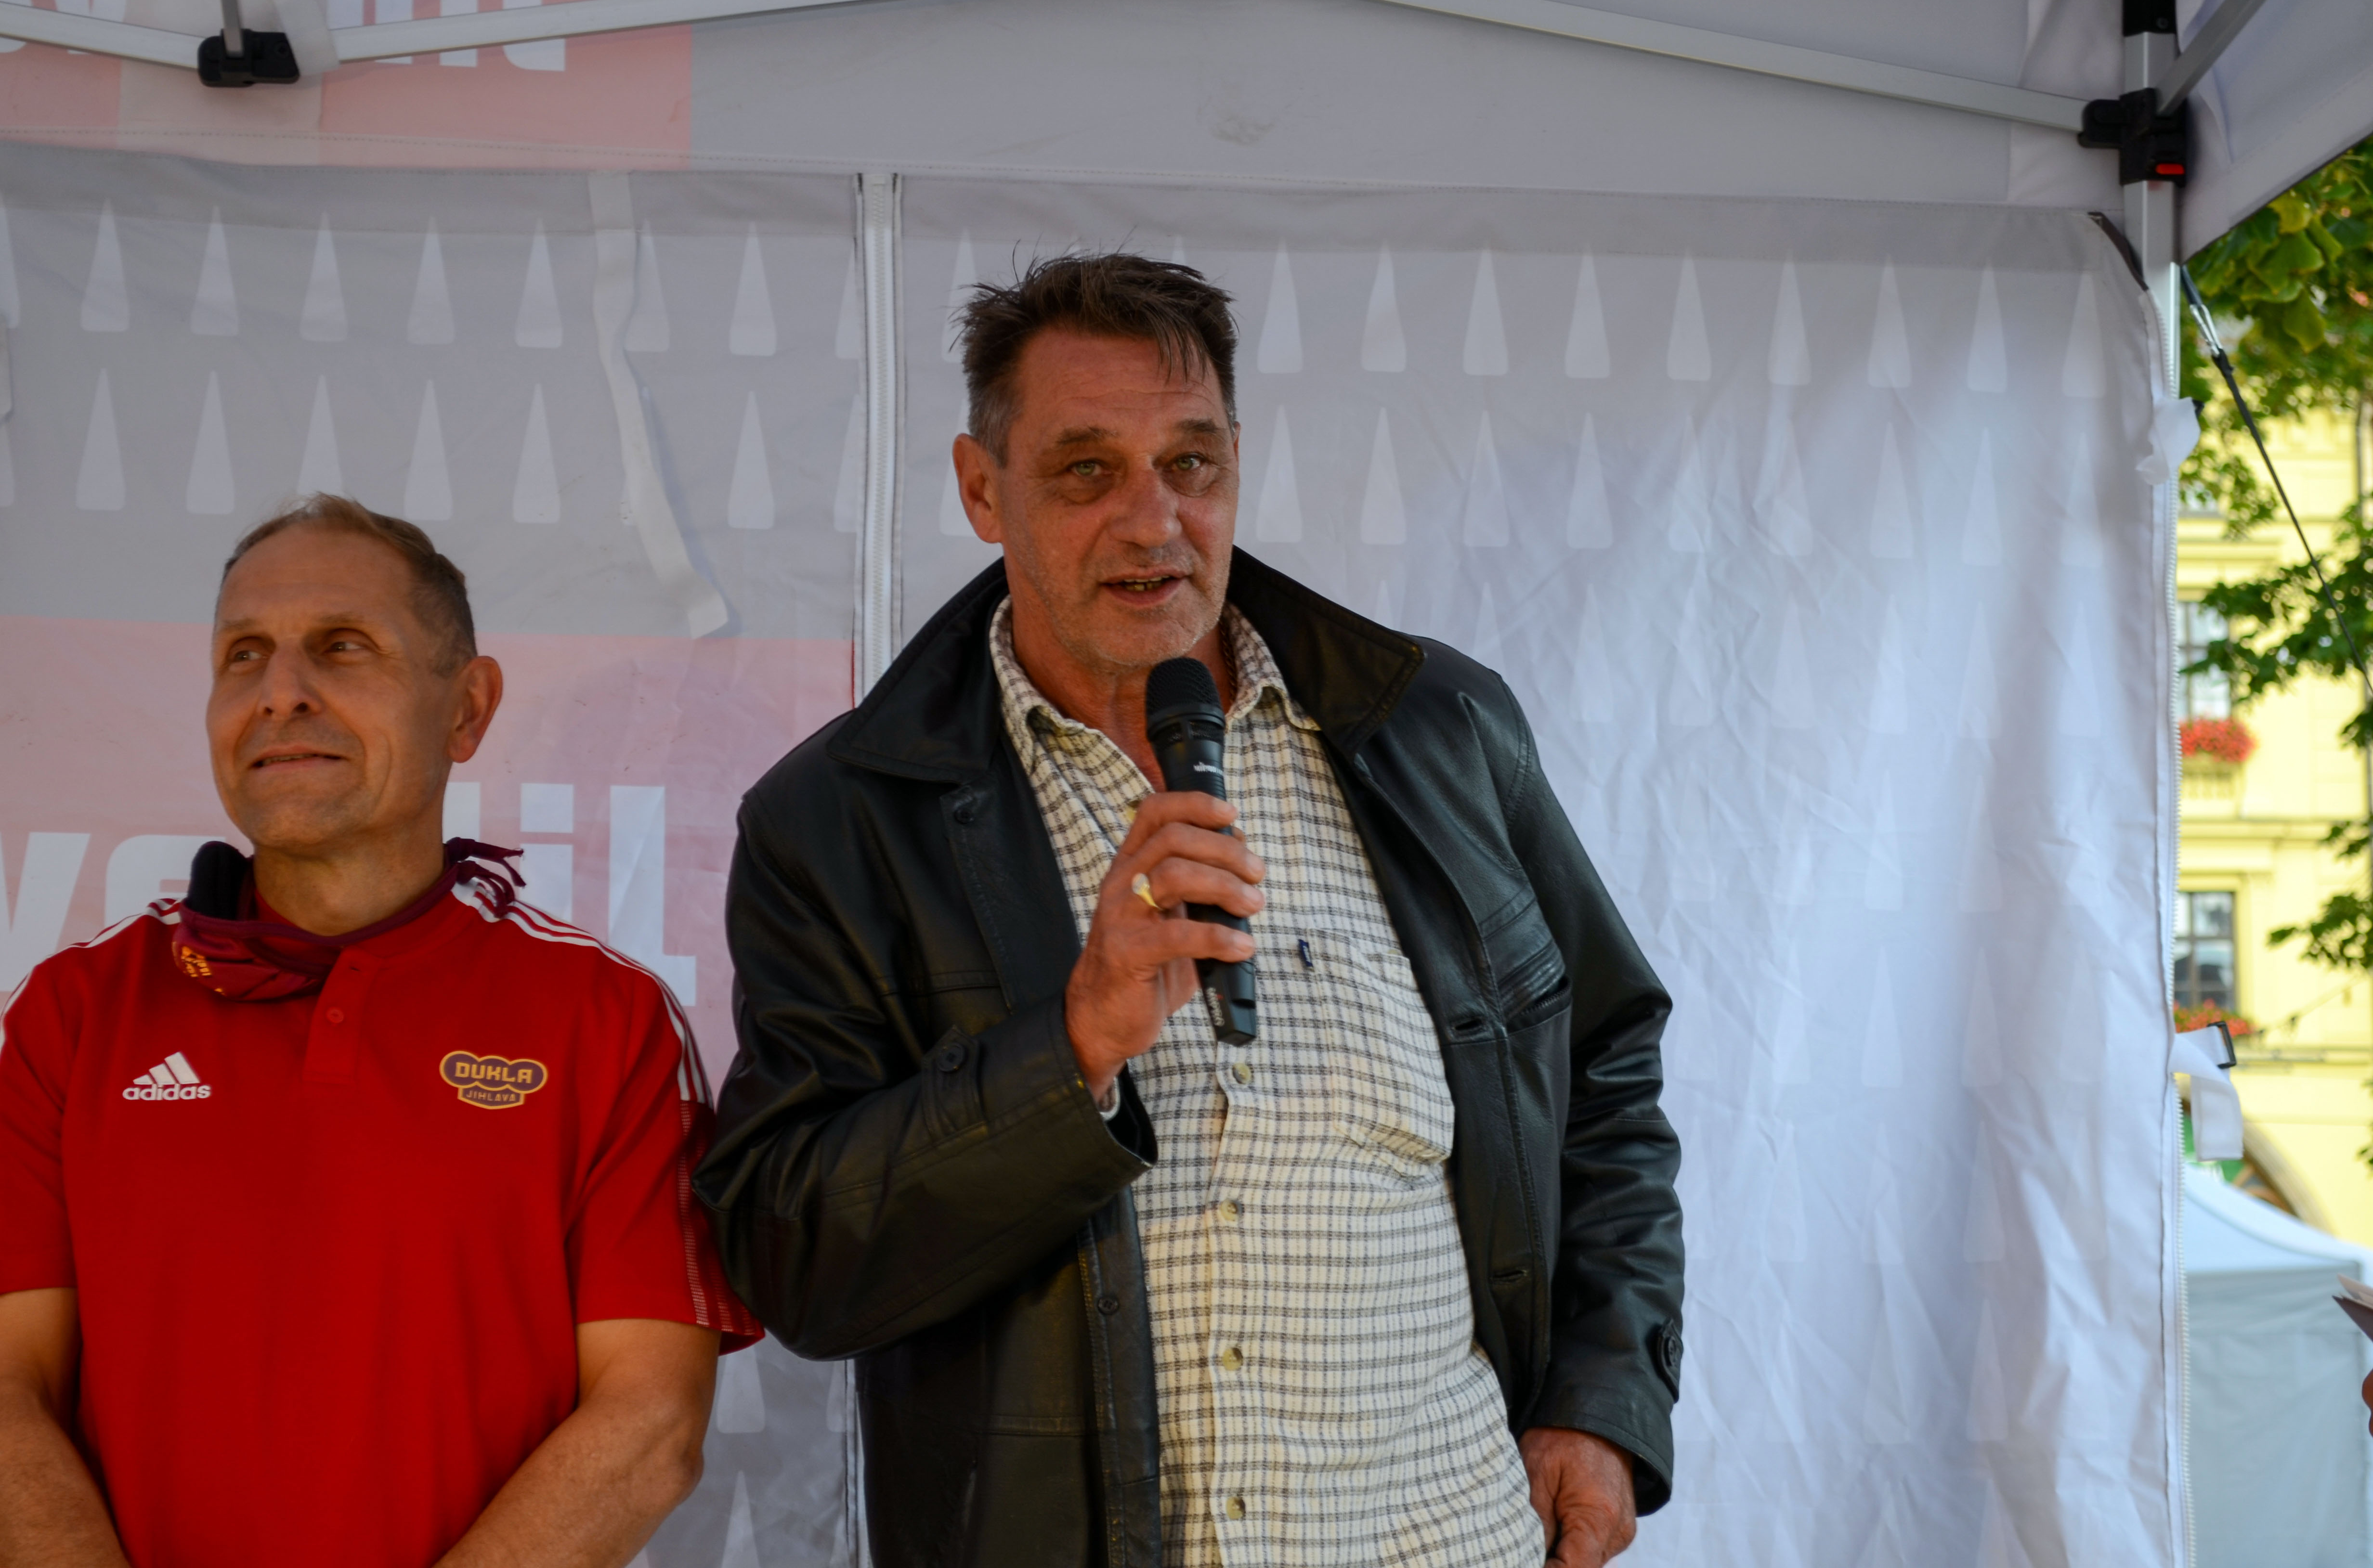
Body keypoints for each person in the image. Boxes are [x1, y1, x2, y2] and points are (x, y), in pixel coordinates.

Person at [697, 253, 1683, 1568]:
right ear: (982, 490)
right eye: (1086, 470)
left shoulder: (1436, 730)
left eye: (1191, 464)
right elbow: (794, 1254)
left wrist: (1602, 1398)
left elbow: (1601, 1066)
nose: (1153, 521)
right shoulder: (840, 821)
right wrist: (1073, 1048)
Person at [0, 496, 759, 1568]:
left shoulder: (605, 1020)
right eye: (243, 655)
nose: (280, 692)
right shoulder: (75, 1011)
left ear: (468, 709)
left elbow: (648, 1429)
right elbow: (8, 1396)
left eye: (342, 646)